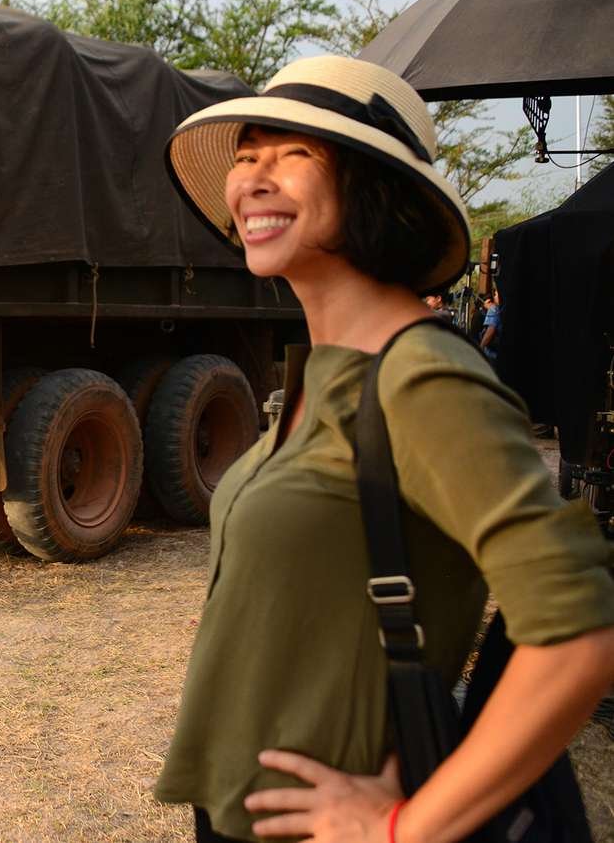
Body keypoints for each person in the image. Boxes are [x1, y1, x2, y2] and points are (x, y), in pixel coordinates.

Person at [156, 54, 614, 842]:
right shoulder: (319, 376)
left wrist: (405, 827)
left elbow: (579, 634)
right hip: (243, 815)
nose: (253, 179)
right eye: (246, 157)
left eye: (293, 155)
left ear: (374, 190)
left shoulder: (422, 376)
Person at [480, 286, 502, 360]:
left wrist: (481, 348)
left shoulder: (494, 309)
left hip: (491, 354)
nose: (494, 297)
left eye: (496, 294)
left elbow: (490, 331)